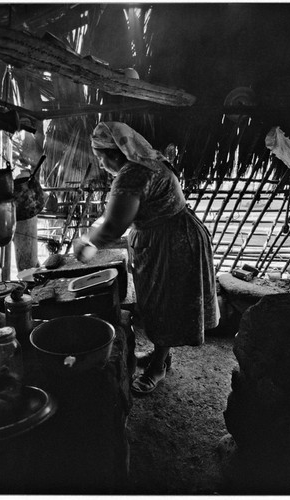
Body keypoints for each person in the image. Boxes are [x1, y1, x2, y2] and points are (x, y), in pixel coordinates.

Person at [73, 122, 219, 395]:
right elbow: (115, 212)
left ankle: (158, 366)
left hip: (171, 243)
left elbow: (114, 226)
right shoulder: (147, 162)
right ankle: (159, 354)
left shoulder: (132, 174)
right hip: (170, 235)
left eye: (100, 157)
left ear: (114, 154)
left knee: (165, 306)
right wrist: (91, 232)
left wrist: (86, 243)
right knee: (160, 304)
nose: (101, 164)